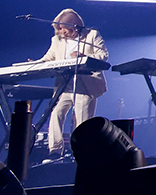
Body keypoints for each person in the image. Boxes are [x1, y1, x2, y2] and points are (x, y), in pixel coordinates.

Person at [35, 8, 108, 157]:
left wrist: (84, 56)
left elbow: (103, 56)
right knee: (56, 113)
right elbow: (49, 58)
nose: (63, 32)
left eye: (65, 29)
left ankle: (82, 153)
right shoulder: (57, 40)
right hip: (64, 86)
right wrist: (35, 64)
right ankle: (55, 151)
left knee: (82, 121)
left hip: (85, 85)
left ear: (75, 26)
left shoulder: (92, 35)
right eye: (60, 29)